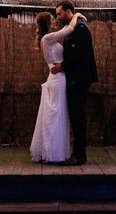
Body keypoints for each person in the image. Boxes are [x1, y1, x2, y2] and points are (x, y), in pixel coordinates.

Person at [30, 10, 87, 164]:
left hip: (58, 77)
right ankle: (52, 152)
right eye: (52, 18)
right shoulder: (47, 38)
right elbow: (68, 29)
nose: (55, 20)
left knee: (56, 115)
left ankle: (52, 150)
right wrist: (76, 15)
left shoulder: (49, 40)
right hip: (58, 79)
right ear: (47, 23)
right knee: (56, 116)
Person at [50, 0, 98, 166]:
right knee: (75, 116)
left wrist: (62, 66)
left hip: (80, 79)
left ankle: (79, 155)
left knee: (78, 116)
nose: (58, 16)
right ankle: (77, 153)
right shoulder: (71, 29)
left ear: (68, 11)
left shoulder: (81, 29)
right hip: (74, 79)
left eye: (59, 13)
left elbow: (80, 54)